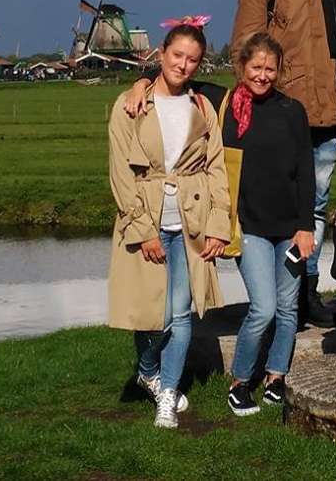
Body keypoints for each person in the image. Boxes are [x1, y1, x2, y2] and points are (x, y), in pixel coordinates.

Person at [106, 22, 229, 428]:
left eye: (192, 59)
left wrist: (217, 225)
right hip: (148, 217)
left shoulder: (202, 107)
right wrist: (141, 230)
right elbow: (121, 173)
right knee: (150, 316)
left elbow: (216, 169)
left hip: (189, 227)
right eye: (177, 55)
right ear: (161, 54)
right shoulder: (130, 104)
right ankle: (147, 370)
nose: (184, 65)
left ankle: (168, 391)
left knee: (180, 315)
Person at [233, 0, 336, 328]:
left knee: (314, 205)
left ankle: (306, 291)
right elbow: (246, 48)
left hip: (328, 108)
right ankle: (284, 299)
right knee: (280, 204)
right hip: (282, 111)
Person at [220, 32, 318, 415]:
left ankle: (276, 376)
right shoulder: (229, 107)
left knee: (288, 306)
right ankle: (241, 380)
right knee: (263, 307)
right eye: (256, 67)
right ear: (243, 67)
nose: (262, 75)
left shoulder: (292, 111)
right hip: (251, 227)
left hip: (290, 227)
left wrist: (306, 226)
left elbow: (306, 173)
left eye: (269, 69)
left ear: (279, 71)